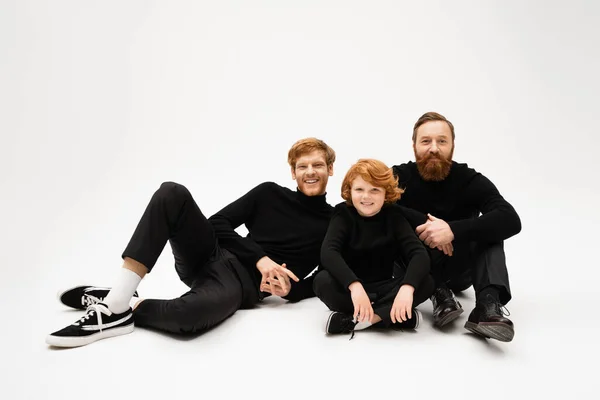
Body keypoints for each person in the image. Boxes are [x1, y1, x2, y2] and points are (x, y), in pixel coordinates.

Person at [46, 137, 336, 347]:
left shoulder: (334, 223)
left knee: (186, 318)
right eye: (302, 166)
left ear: (330, 169)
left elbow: (323, 277)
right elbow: (217, 224)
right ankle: (114, 308)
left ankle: (119, 301)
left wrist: (289, 291)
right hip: (208, 254)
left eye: (318, 165)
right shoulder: (269, 193)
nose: (310, 172)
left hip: (237, 284)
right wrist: (261, 258)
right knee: (172, 193)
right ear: (293, 172)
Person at [392, 111, 522, 342]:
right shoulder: (398, 176)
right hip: (417, 269)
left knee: (491, 228)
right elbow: (366, 206)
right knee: (390, 226)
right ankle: (439, 294)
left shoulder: (469, 179)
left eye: (442, 141)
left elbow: (510, 219)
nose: (434, 148)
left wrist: (452, 230)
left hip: (460, 271)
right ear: (414, 145)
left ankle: (487, 306)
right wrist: (427, 224)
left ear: (452, 145)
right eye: (426, 141)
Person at [313, 158, 434, 339]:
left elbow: (418, 254)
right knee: (321, 280)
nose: (366, 197)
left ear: (386, 193)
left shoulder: (394, 216)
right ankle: (394, 316)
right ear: (350, 191)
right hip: (351, 289)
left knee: (427, 282)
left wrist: (407, 288)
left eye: (374, 190)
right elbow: (329, 252)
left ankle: (362, 320)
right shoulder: (342, 213)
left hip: (384, 288)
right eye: (359, 189)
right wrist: (354, 286)